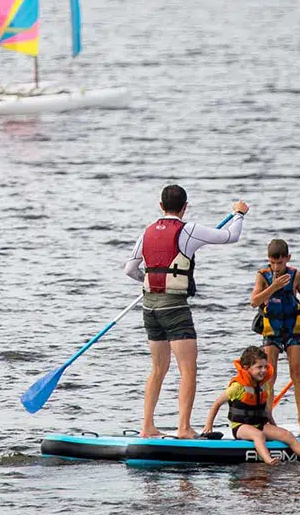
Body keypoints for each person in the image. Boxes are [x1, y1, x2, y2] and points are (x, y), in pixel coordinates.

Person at [124, 185, 249, 438]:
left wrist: (152, 281)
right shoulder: (188, 230)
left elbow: (130, 269)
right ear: (185, 207)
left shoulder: (147, 232)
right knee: (188, 369)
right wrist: (239, 214)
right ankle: (184, 428)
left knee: (158, 369)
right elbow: (229, 236)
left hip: (150, 307)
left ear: (161, 206)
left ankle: (146, 426)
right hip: (175, 308)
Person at [202, 346, 300, 466]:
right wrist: (209, 426)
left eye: (265, 366)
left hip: (260, 424)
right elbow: (217, 404)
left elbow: (266, 411)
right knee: (258, 436)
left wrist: (275, 427)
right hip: (241, 427)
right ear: (246, 368)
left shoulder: (264, 385)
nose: (264, 370)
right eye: (259, 367)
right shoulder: (237, 387)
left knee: (287, 435)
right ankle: (268, 460)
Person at [249, 239, 300, 433]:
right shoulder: (262, 276)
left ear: (287, 259)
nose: (276, 267)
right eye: (272, 262)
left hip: (292, 330)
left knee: (296, 373)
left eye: (280, 263)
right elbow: (254, 302)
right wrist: (273, 286)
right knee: (269, 376)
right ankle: (268, 419)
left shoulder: (295, 275)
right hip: (271, 330)